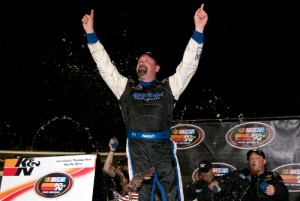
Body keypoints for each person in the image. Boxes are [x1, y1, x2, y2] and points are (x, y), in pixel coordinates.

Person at [81, 3, 208, 200]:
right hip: (137, 148)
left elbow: (188, 65)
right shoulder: (124, 87)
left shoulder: (169, 86)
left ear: (157, 68)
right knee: (140, 195)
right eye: (139, 60)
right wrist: (90, 33)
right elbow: (104, 66)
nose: (141, 62)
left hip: (163, 149)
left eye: (146, 60)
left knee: (171, 194)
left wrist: (198, 29)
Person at [208, 149, 289, 201]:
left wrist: (275, 190)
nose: (253, 160)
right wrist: (216, 182)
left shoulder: (272, 175)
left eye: (257, 158)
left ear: (264, 161)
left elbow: (284, 193)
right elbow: (224, 179)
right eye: (251, 158)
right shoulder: (240, 173)